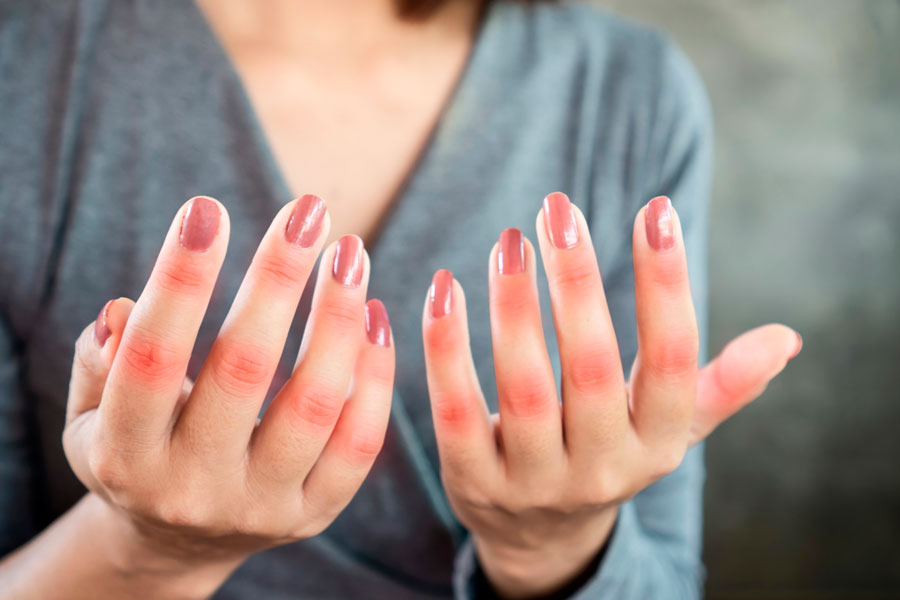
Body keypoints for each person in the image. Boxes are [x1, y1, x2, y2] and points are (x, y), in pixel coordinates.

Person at [0, 0, 801, 598]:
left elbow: (662, 579)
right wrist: (145, 552)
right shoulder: (25, 70)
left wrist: (552, 549)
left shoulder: (626, 93)